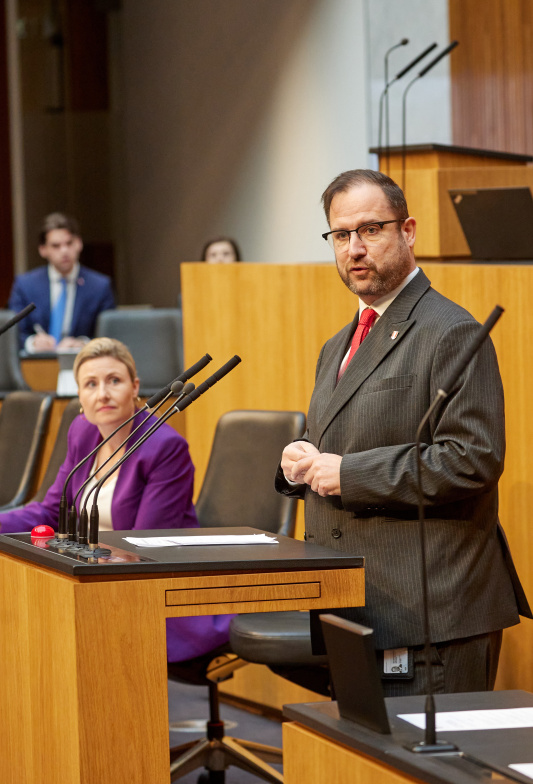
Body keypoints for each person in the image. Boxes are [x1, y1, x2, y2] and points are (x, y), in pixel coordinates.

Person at [275, 169, 531, 697]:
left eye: (371, 230)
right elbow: (346, 435)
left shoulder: (451, 330)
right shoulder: (336, 345)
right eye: (341, 236)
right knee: (369, 774)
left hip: (431, 612)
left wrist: (348, 473)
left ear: (408, 231)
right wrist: (301, 460)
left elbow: (471, 458)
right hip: (356, 602)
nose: (355, 249)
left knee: (434, 776)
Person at [0, 337, 232, 663]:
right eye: (91, 384)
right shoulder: (82, 432)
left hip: (155, 586)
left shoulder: (164, 446)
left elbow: (143, 544)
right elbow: (52, 510)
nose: (103, 394)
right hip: (97, 577)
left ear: (135, 388)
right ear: (79, 396)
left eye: (114, 381)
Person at [8, 213, 116, 352]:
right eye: (56, 246)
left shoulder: (100, 286)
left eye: (69, 243)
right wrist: (32, 342)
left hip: (82, 363)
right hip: (36, 365)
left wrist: (84, 344)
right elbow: (13, 333)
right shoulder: (25, 285)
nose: (64, 251)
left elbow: (109, 335)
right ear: (43, 250)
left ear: (79, 243)